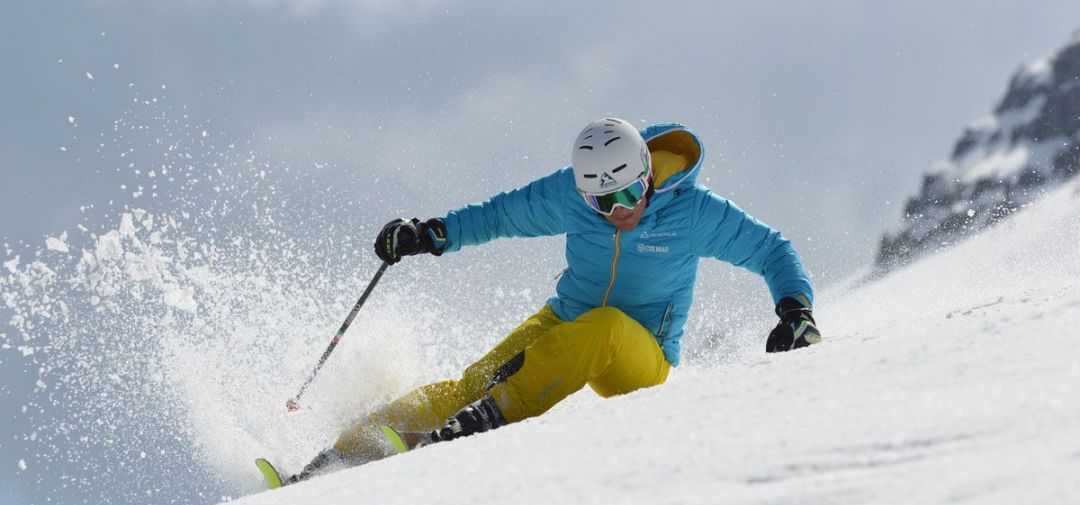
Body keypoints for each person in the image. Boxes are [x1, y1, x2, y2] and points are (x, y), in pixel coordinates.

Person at [284, 118, 820, 484]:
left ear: (647, 176)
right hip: (563, 323)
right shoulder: (570, 195)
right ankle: (339, 454)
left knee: (606, 324)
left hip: (639, 357)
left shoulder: (695, 211)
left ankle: (488, 417)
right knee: (469, 383)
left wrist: (795, 310)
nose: (618, 211)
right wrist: (430, 234)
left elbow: (773, 249)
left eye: (630, 194)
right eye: (601, 201)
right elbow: (499, 215)